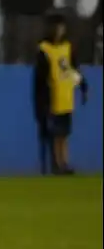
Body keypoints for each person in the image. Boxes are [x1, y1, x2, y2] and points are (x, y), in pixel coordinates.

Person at [33, 10, 89, 175]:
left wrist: (83, 86)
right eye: (57, 27)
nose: (60, 30)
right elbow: (40, 80)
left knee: (64, 134)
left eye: (62, 27)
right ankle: (56, 163)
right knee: (55, 134)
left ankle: (64, 162)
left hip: (66, 96)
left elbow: (74, 70)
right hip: (52, 98)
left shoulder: (67, 48)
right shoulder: (44, 50)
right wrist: (40, 104)